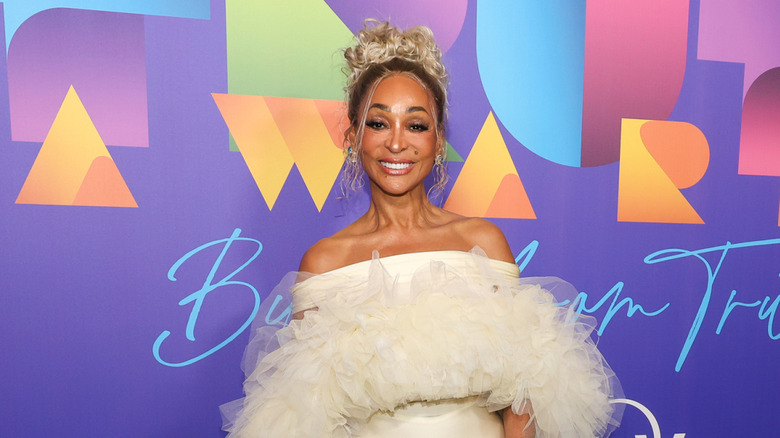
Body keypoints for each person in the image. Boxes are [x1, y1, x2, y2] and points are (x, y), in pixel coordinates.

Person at [221, 21, 621, 438]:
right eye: (378, 124)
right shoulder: (325, 263)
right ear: (353, 136)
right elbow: (311, 416)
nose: (397, 143)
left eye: (416, 125)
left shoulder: (481, 243)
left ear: (438, 139)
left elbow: (528, 388)